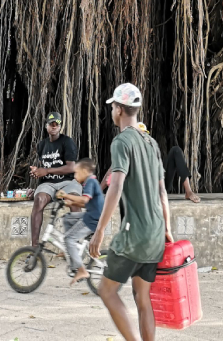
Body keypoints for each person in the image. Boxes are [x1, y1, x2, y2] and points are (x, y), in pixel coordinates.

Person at [90, 83, 172, 341]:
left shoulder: (122, 141)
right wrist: (167, 229)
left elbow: (115, 187)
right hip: (156, 234)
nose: (112, 111)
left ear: (120, 109)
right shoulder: (151, 143)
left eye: (113, 106)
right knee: (142, 297)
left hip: (134, 234)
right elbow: (162, 193)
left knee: (106, 290)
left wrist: (99, 231)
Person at [29, 110, 79, 248]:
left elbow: (71, 168)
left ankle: (74, 245)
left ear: (60, 126)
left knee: (73, 200)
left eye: (57, 124)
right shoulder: (41, 145)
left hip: (68, 182)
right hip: (48, 184)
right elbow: (42, 167)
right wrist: (37, 172)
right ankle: (34, 248)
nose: (54, 126)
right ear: (46, 126)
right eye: (51, 124)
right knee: (39, 200)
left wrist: (46, 171)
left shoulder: (67, 142)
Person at [58, 158, 105, 286]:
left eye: (77, 172)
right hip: (90, 215)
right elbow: (86, 202)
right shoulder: (89, 182)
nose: (75, 175)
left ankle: (81, 270)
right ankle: (71, 250)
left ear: (85, 171)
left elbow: (84, 201)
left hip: (92, 220)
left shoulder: (90, 182)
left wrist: (67, 195)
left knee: (68, 238)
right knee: (67, 218)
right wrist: (71, 202)